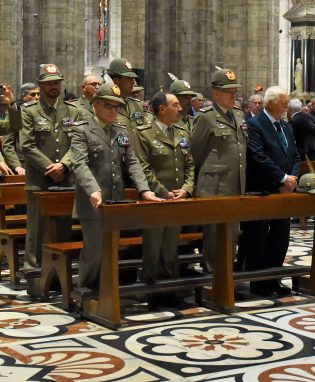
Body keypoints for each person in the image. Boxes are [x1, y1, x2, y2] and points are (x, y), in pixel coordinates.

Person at [70, 83, 163, 288]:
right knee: (94, 251)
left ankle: (106, 292)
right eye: (108, 106)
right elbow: (79, 164)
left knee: (111, 250)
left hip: (115, 202)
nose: (113, 111)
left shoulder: (120, 131)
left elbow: (132, 163)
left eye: (116, 107)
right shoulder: (82, 131)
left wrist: (144, 190)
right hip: (92, 202)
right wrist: (93, 189)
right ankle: (85, 292)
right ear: (95, 105)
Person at [15, 64, 81, 269]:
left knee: (63, 228)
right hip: (39, 180)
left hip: (66, 179)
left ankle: (59, 271)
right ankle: (33, 271)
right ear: (40, 85)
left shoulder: (73, 111)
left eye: (57, 82)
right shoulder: (28, 111)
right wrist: (50, 168)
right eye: (49, 83)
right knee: (36, 229)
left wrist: (63, 165)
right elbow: (26, 145)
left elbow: (78, 143)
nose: (54, 86)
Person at [132, 91, 194, 307]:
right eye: (175, 105)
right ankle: (151, 291)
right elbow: (143, 167)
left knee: (170, 248)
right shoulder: (144, 134)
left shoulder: (181, 132)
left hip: (177, 199)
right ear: (162, 109)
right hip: (156, 201)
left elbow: (190, 165)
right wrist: (162, 191)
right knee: (153, 247)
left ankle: (169, 289)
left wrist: (186, 189)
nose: (180, 109)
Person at [239, 86, 299, 298]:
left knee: (280, 238)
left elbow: (295, 155)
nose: (287, 105)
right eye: (284, 102)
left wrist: (291, 178)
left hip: (284, 192)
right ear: (272, 102)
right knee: (259, 238)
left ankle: (274, 278)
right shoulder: (254, 125)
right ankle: (259, 283)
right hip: (262, 190)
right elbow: (258, 155)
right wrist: (282, 178)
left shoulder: (286, 126)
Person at [190, 68, 247, 271]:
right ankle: (213, 276)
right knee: (214, 235)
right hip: (214, 187)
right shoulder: (206, 118)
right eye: (229, 91)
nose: (234, 95)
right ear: (215, 93)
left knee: (231, 233)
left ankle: (226, 275)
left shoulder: (238, 115)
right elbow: (194, 153)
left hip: (234, 184)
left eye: (235, 91)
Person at [107, 58, 150, 136]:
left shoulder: (138, 105)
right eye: (129, 78)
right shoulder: (106, 107)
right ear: (116, 81)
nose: (133, 81)